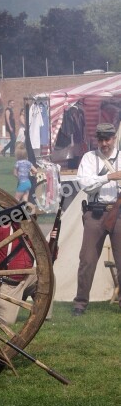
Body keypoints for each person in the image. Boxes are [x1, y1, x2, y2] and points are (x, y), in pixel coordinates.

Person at [73, 123, 121, 316]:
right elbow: (85, 185)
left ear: (113, 139)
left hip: (118, 213)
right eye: (101, 140)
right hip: (95, 213)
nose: (104, 143)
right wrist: (109, 177)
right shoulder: (89, 158)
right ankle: (80, 304)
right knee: (87, 260)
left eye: (107, 139)